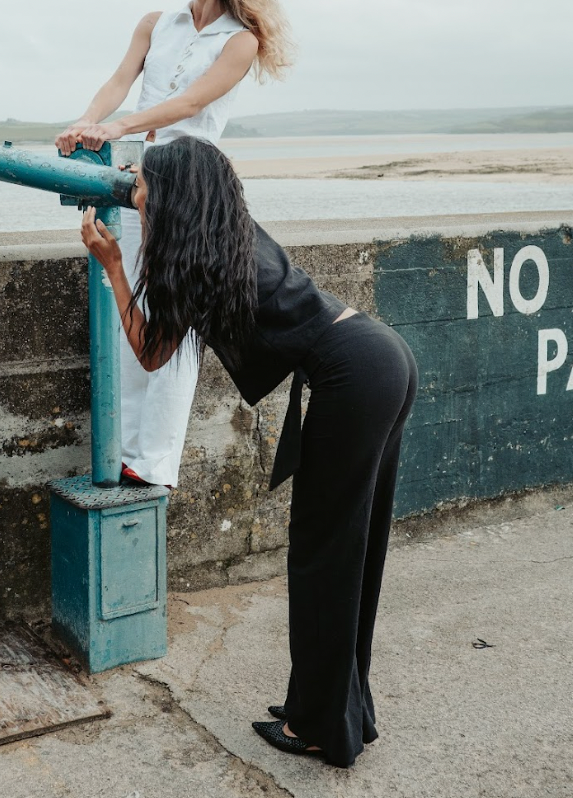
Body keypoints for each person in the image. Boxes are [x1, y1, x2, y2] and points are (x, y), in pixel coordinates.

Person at [79, 136, 418, 769]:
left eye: (144, 185)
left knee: (324, 555)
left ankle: (322, 726)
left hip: (353, 372)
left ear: (176, 194)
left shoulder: (193, 254)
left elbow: (150, 352)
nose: (137, 194)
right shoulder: (225, 232)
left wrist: (114, 268)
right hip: (379, 356)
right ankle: (337, 711)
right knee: (352, 552)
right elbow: (162, 342)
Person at [56, 0, 293, 489]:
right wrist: (89, 121)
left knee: (178, 323)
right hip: (145, 177)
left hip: (192, 187)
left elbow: (187, 104)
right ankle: (122, 448)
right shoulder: (154, 24)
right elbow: (119, 81)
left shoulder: (241, 41)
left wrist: (118, 126)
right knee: (129, 306)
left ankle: (155, 461)